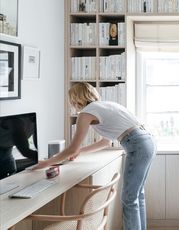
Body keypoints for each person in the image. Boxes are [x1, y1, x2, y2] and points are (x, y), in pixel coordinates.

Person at [32, 82, 156, 230]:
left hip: (136, 145)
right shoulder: (105, 106)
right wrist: (79, 152)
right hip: (147, 141)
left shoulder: (86, 114)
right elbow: (105, 143)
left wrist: (46, 163)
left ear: (75, 98)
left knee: (129, 198)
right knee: (136, 195)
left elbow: (71, 148)